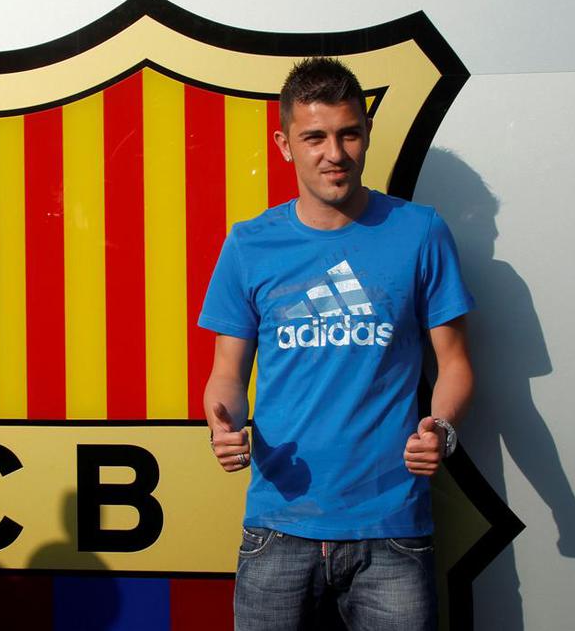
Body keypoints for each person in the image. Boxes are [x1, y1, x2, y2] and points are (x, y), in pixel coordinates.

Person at [199, 57, 474, 631]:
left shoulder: (420, 232)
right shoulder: (249, 244)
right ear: (284, 145)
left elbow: (454, 363)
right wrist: (223, 425)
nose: (335, 153)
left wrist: (442, 429)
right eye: (315, 138)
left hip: (391, 528)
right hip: (278, 526)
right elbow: (227, 372)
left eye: (349, 134)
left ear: (367, 132)